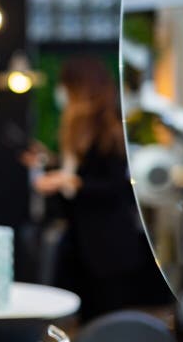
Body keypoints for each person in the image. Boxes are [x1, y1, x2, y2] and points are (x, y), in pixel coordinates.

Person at [31, 57, 172, 321]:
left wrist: (71, 182)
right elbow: (80, 176)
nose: (61, 93)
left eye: (66, 86)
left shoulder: (110, 130)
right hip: (80, 247)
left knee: (109, 323)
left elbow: (116, 187)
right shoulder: (73, 129)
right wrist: (51, 164)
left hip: (108, 249)